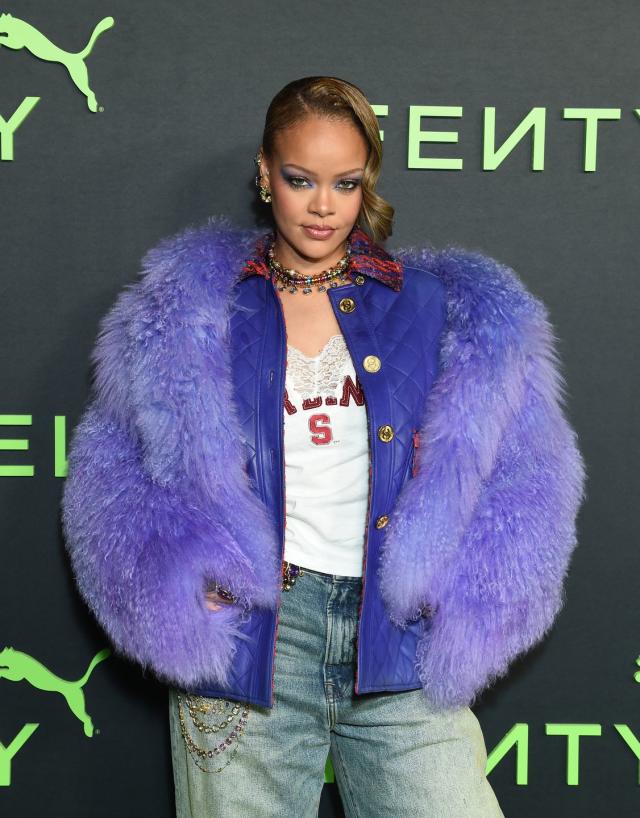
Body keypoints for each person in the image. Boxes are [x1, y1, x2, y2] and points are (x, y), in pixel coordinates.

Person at [61, 76, 587, 817]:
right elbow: (111, 471)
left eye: (344, 183)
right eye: (300, 179)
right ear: (264, 172)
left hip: (395, 639)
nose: (321, 205)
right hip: (255, 646)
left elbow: (528, 474)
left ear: (365, 180)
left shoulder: (431, 305)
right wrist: (176, 578)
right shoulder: (187, 311)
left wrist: (464, 593)